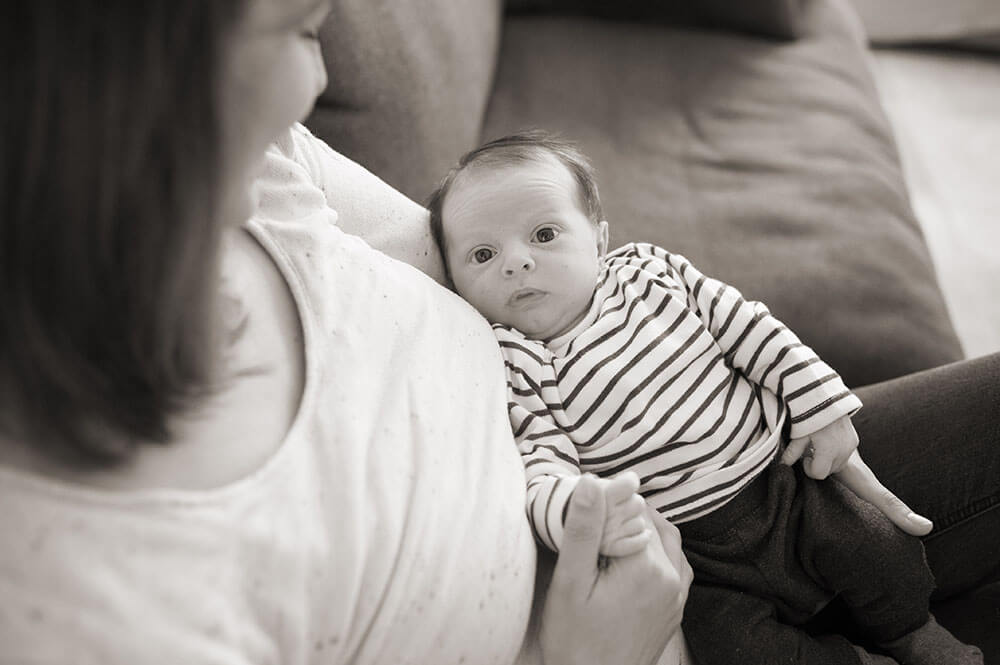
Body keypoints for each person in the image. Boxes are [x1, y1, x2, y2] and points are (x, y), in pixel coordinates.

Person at [1, 1, 997, 665]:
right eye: (299, 30)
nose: (316, 80)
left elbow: (497, 249)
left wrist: (789, 402)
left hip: (737, 483)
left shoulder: (263, 170)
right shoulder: (92, 600)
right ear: (118, 88)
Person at [426, 130, 986, 665]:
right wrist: (577, 511)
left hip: (780, 484)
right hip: (697, 558)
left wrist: (822, 408)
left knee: (875, 544)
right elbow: (540, 459)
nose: (516, 261)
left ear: (598, 240)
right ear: (454, 282)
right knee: (734, 652)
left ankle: (915, 635)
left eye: (544, 235)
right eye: (482, 255)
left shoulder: (650, 274)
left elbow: (753, 332)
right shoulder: (515, 361)